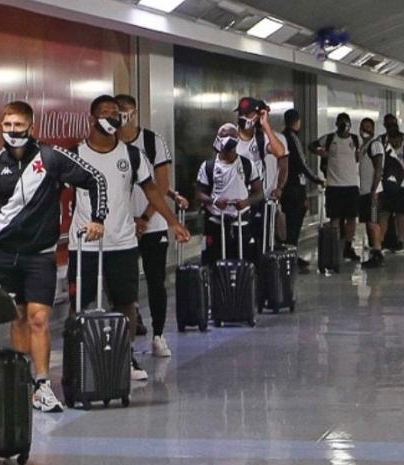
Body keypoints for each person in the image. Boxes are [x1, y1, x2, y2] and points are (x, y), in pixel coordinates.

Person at [0, 100, 107, 413]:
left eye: (18, 126)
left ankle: (42, 384)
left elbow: (95, 179)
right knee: (18, 317)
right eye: (7, 126)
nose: (12, 132)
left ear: (31, 127)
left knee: (39, 317)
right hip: (5, 255)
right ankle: (22, 380)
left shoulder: (51, 158)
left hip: (40, 255)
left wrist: (98, 218)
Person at [68, 95, 189, 381]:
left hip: (122, 241)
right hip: (84, 244)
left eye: (115, 113)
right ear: (92, 118)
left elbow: (152, 191)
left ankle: (126, 356)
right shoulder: (75, 154)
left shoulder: (131, 155)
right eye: (105, 113)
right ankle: (80, 359)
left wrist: (173, 223)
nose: (112, 117)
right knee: (81, 305)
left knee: (126, 302)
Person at [115, 94, 188, 358]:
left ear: (134, 112)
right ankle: (126, 342)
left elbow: (160, 184)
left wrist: (145, 217)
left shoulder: (152, 141)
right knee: (124, 286)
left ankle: (158, 334)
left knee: (156, 280)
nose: (122, 115)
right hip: (121, 228)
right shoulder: (109, 144)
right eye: (117, 110)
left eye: (126, 111)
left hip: (153, 225)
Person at [196, 123, 265, 263]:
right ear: (217, 138)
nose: (227, 139)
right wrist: (215, 201)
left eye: (232, 136)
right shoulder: (208, 166)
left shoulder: (247, 164)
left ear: (237, 139)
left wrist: (246, 202)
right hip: (216, 224)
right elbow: (199, 193)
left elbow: (259, 193)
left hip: (241, 223)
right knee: (214, 264)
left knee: (242, 264)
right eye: (223, 135)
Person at [233, 97, 287, 264]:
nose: (243, 118)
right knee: (239, 248)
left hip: (259, 200)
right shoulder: (231, 136)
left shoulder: (262, 139)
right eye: (241, 114)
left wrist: (266, 125)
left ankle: (260, 281)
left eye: (248, 114)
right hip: (237, 201)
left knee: (261, 248)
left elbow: (280, 153)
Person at [310, 113, 361, 262]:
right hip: (334, 186)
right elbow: (312, 146)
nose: (344, 127)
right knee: (335, 218)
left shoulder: (355, 140)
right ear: (337, 124)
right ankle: (334, 247)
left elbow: (358, 156)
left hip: (351, 185)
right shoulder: (330, 139)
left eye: (346, 123)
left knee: (351, 218)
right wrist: (321, 153)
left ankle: (348, 246)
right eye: (341, 123)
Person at [281, 109, 324, 271]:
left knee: (290, 222)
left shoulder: (282, 137)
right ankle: (291, 255)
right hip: (293, 188)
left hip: (287, 187)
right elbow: (301, 163)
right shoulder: (292, 138)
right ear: (297, 121)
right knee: (294, 222)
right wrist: (316, 179)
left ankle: (290, 254)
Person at [379, 130, 404, 252]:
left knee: (401, 214)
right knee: (384, 213)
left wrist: (401, 172)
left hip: (402, 187)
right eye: (392, 138)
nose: (394, 141)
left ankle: (400, 240)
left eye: (397, 138)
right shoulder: (384, 151)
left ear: (401, 139)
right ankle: (380, 240)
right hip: (387, 187)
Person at [358, 118, 386, 268]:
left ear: (373, 129)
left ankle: (377, 251)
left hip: (373, 192)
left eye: (368, 127)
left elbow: (379, 168)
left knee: (373, 222)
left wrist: (374, 190)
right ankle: (374, 251)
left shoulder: (375, 145)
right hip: (365, 192)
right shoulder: (363, 147)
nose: (365, 130)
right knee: (369, 222)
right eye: (363, 127)